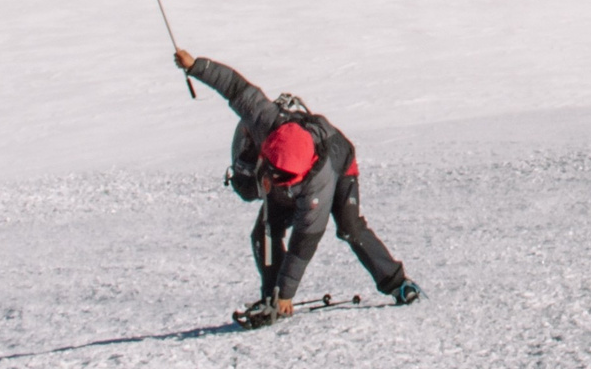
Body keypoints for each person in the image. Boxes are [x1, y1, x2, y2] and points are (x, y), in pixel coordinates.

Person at [173, 48, 422, 325]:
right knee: (264, 233)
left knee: (350, 229)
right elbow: (234, 87)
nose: (271, 180)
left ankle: (397, 283)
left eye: (279, 178)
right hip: (298, 167)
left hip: (340, 168)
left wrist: (288, 293)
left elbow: (304, 242)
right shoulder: (266, 120)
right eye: (271, 173)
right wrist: (195, 65)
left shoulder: (318, 185)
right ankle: (271, 297)